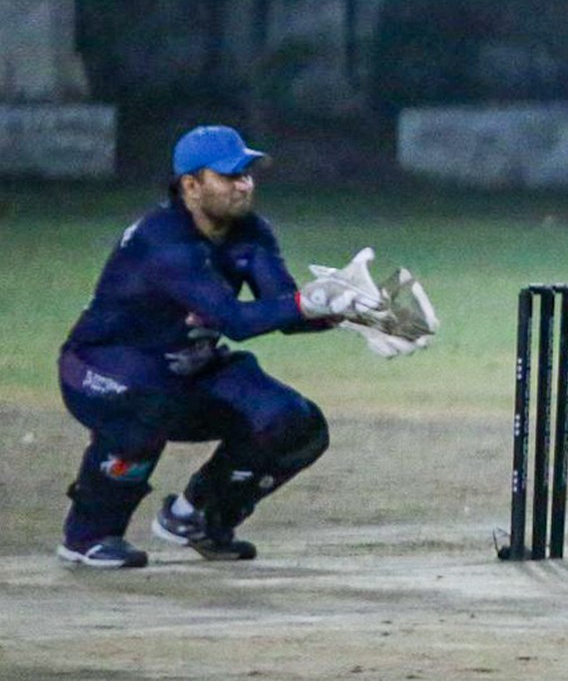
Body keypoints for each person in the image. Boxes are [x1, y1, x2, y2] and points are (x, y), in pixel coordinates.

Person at [55, 124, 430, 568]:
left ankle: (199, 516)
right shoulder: (163, 240)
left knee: (294, 423)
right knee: (146, 405)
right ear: (190, 186)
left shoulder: (251, 232)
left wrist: (346, 311)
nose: (244, 184)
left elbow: (283, 310)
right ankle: (88, 536)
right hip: (102, 370)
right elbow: (234, 320)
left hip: (187, 370)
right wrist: (309, 302)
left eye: (247, 174)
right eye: (230, 176)